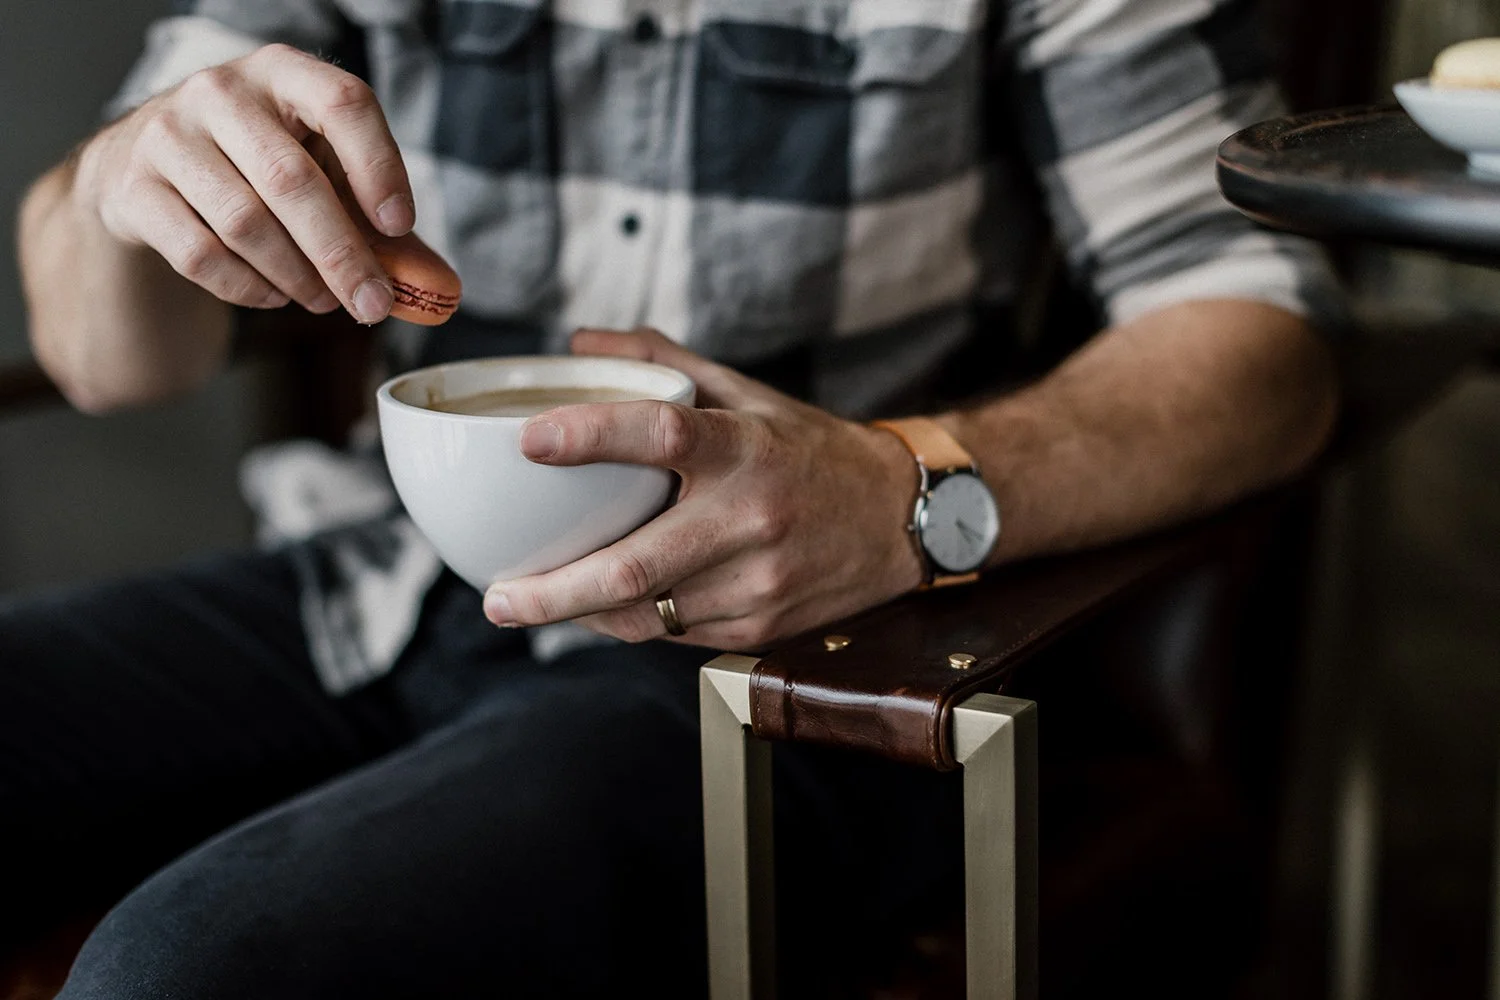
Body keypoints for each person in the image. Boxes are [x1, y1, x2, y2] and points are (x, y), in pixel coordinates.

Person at [8, 0, 1340, 996]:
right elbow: (111, 361)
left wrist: (897, 486)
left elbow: (1265, 341)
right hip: (373, 574)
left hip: (781, 657)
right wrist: (122, 183)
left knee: (178, 973)